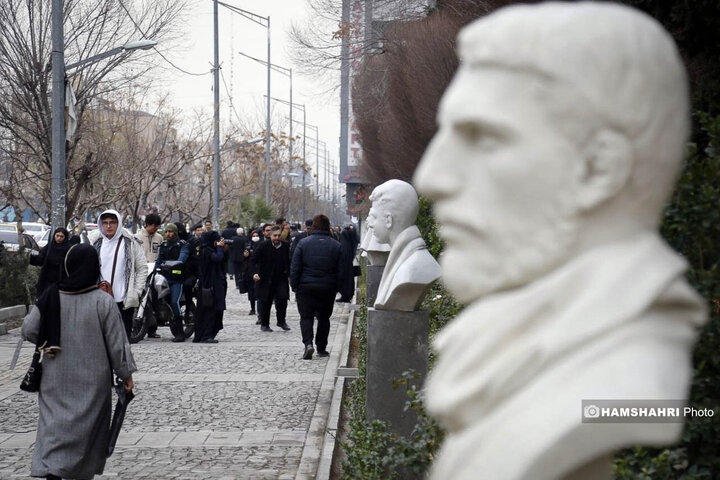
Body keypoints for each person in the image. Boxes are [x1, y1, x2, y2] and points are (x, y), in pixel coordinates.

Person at [413, 4, 707, 480]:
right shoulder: (503, 341)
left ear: (598, 168)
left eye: (484, 137)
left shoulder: (630, 371)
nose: (432, 177)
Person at [22, 243, 136, 480]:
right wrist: (125, 375)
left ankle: (53, 469)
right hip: (93, 382)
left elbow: (29, 329)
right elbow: (117, 344)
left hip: (56, 377)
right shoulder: (102, 302)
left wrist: (46, 343)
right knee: (87, 431)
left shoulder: (51, 296)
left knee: (54, 426)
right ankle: (78, 472)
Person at [290, 214, 342, 359]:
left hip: (306, 287)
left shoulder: (303, 243)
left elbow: (295, 267)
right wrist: (337, 287)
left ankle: (308, 344)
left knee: (306, 317)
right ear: (328, 227)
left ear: (313, 226)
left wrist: (294, 286)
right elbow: (341, 269)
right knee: (324, 318)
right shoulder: (336, 245)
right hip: (328, 287)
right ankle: (321, 347)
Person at [90, 209, 147, 337]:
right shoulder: (95, 243)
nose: (108, 226)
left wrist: (136, 291)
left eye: (112, 222)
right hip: (99, 299)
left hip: (123, 300)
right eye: (105, 223)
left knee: (123, 339)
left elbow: (142, 268)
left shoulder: (130, 242)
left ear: (119, 223)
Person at [251, 225, 291, 332]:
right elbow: (253, 260)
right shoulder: (263, 246)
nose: (277, 238)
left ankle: (281, 321)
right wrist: (255, 273)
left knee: (282, 299)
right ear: (270, 235)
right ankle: (264, 323)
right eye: (274, 236)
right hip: (266, 278)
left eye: (278, 235)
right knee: (266, 301)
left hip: (281, 277)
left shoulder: (285, 246)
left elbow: (288, 261)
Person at [154, 223, 190, 342]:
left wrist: (172, 264)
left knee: (174, 302)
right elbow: (158, 260)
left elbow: (182, 259)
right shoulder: (163, 245)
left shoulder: (183, 245)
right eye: (167, 232)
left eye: (170, 232)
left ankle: (180, 332)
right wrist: (154, 269)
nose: (168, 234)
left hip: (177, 279)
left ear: (175, 233)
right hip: (164, 278)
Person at [193, 230, 227, 343]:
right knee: (209, 310)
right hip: (209, 285)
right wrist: (220, 248)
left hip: (213, 284)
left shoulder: (207, 249)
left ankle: (209, 333)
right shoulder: (206, 251)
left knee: (214, 310)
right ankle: (206, 335)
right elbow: (217, 258)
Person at [134, 214, 163, 338]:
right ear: (148, 224)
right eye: (154, 226)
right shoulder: (137, 237)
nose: (155, 229)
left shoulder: (159, 238)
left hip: (155, 272)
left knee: (156, 297)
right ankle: (138, 327)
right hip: (141, 272)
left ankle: (153, 329)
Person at [29, 227, 71, 298]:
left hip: (61, 279)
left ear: (65, 237)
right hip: (47, 278)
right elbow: (41, 259)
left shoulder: (69, 249)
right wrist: (30, 258)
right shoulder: (49, 247)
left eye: (61, 236)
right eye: (57, 236)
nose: (59, 238)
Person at [337, 224, 360, 303]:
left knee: (344, 280)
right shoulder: (351, 237)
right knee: (348, 280)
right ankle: (346, 295)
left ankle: (344, 296)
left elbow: (342, 251)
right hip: (349, 263)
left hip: (343, 263)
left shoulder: (344, 237)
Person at [244, 229, 262, 316]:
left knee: (259, 290)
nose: (255, 238)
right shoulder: (248, 245)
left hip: (260, 270)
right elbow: (245, 258)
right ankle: (252, 308)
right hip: (250, 271)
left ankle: (260, 310)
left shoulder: (262, 245)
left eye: (256, 236)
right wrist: (245, 256)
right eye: (253, 236)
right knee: (251, 290)